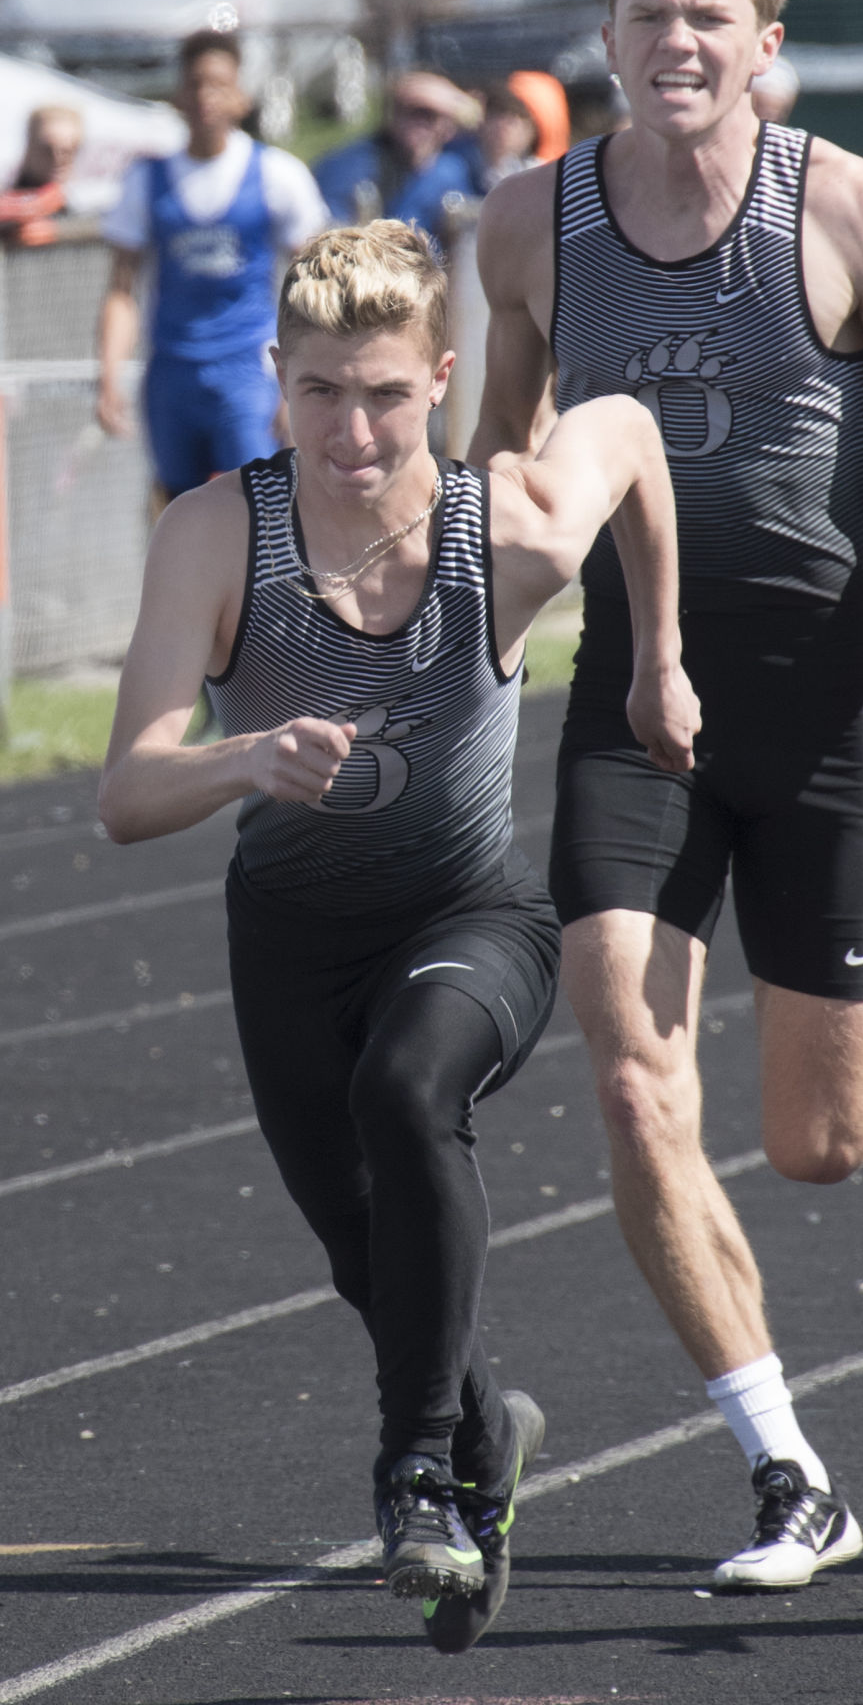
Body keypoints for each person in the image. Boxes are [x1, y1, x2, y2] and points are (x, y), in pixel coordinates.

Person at [467, 0, 863, 1591]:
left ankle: (785, 1435)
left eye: (708, 17)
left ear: (763, 45)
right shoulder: (529, 222)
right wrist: (461, 629)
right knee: (631, 1084)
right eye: (647, 15)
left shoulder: (846, 209)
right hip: (638, 702)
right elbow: (500, 460)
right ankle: (784, 1464)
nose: (675, 42)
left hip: (826, 706)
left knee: (812, 1146)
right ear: (606, 35)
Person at [98, 221, 699, 1652]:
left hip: (471, 915)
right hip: (291, 938)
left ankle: (414, 1477)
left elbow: (628, 434)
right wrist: (245, 762)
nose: (352, 431)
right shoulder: (214, 531)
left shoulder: (514, 526)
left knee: (406, 1093)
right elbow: (125, 791)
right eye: (319, 393)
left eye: (381, 394)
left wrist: (661, 659)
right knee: (363, 1254)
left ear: (440, 378)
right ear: (275, 379)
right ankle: (490, 1435)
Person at [96, 30, 328, 505]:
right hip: (173, 371)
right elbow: (122, 289)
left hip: (246, 366)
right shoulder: (147, 179)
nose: (206, 97)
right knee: (176, 507)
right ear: (178, 94)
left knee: (261, 501)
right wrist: (108, 375)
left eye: (218, 84)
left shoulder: (276, 174)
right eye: (195, 84)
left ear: (241, 95)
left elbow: (314, 283)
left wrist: (300, 380)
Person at [312, 69, 481, 236]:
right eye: (410, 112)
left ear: (449, 126)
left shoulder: (451, 171)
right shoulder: (350, 166)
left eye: (430, 116)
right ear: (393, 114)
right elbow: (327, 232)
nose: (419, 125)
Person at [0, 104, 84, 245]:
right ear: (30, 146)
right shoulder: (8, 203)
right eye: (47, 149)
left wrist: (64, 230)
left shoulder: (80, 209)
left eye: (68, 151)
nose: (58, 159)